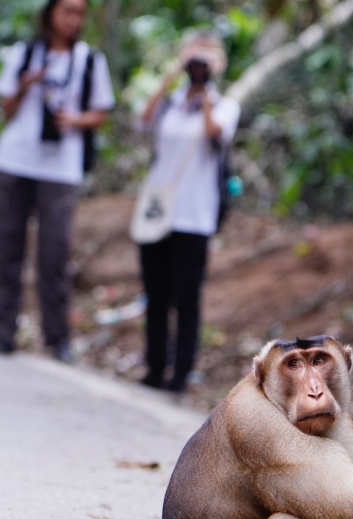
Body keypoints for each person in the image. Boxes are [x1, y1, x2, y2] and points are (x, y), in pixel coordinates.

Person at [0, 0, 115, 362]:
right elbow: (5, 108)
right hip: (14, 160)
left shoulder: (90, 61)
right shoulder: (25, 53)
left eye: (80, 13)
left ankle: (57, 339)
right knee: (9, 247)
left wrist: (74, 120)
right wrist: (25, 84)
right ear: (50, 13)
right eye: (67, 11)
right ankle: (3, 333)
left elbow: (102, 113)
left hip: (60, 169)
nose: (74, 19)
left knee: (55, 253)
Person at [135, 32, 241, 392]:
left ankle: (180, 372)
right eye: (194, 59)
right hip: (159, 211)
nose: (198, 66)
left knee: (187, 297)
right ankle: (154, 366)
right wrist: (172, 77)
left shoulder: (225, 105)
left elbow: (215, 133)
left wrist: (205, 93)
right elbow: (142, 119)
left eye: (206, 60)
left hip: (195, 215)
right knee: (156, 293)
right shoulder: (170, 103)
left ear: (218, 65)